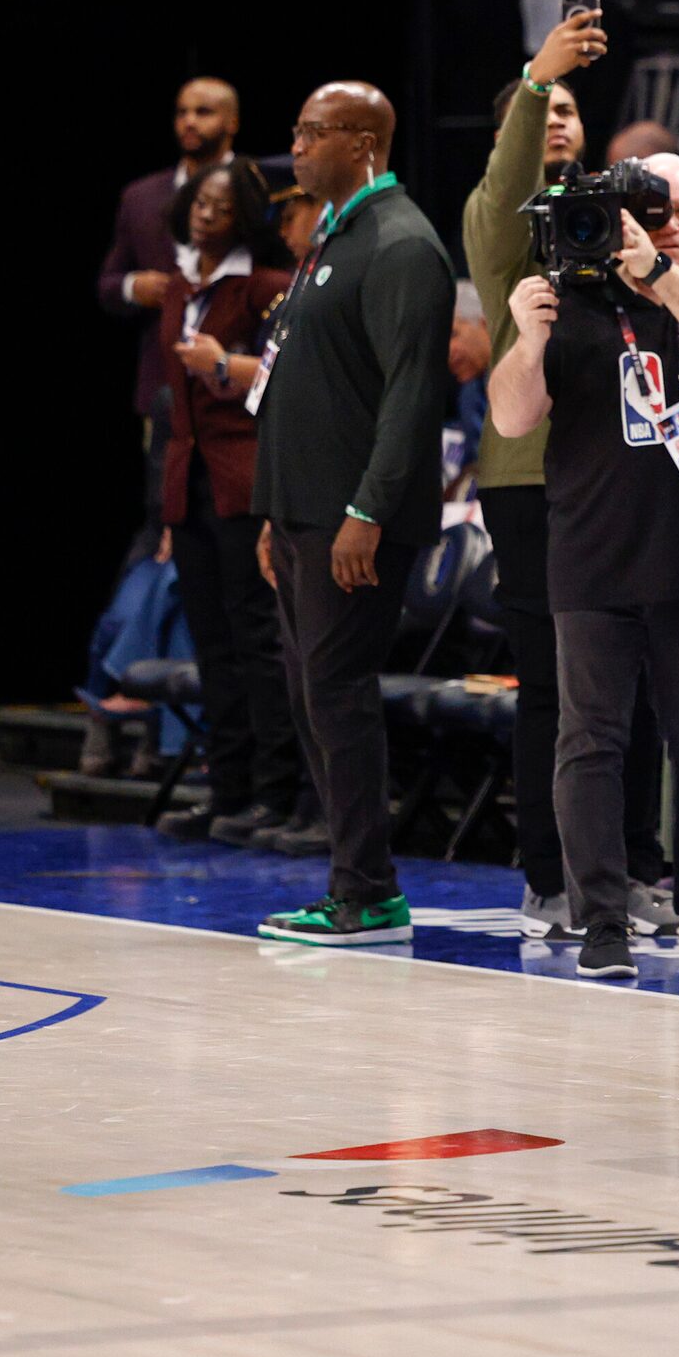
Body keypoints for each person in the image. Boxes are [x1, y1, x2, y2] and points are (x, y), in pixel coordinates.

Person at [486, 154, 679, 981]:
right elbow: (510, 414)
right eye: (648, 214)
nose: (665, 226)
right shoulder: (573, 303)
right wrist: (530, 331)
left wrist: (657, 274)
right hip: (588, 558)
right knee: (591, 746)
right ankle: (602, 918)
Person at [461, 11, 679, 941]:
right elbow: (512, 172)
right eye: (536, 110)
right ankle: (550, 876)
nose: (555, 119)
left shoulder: (615, 215)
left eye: (567, 108)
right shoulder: (501, 222)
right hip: (529, 475)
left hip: (622, 463)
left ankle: (632, 864)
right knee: (554, 682)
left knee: (634, 679)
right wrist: (538, 77)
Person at [250, 82, 454, 947]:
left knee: (337, 694)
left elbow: (412, 393)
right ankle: (352, 884)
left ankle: (368, 895)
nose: (295, 146)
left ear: (364, 139)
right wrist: (275, 512)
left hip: (356, 524)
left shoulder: (403, 243)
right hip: (304, 518)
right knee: (313, 697)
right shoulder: (337, 233)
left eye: (311, 131)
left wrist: (366, 509)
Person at [147, 160, 301, 848]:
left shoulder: (267, 287)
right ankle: (227, 790)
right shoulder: (183, 288)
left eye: (221, 204)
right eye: (199, 202)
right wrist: (169, 510)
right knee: (213, 646)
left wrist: (220, 364)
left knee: (257, 643)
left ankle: (275, 794)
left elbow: (288, 387)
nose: (207, 213)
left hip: (245, 481)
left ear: (244, 215)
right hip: (194, 483)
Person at [99, 79, 251, 491]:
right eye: (182, 112)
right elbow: (108, 284)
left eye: (203, 112)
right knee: (166, 507)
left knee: (240, 509)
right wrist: (135, 287)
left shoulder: (258, 190)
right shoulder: (142, 197)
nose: (188, 122)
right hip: (164, 383)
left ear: (232, 121)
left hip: (240, 382)